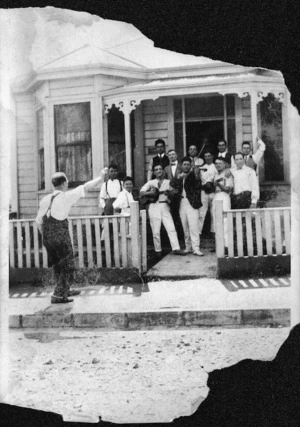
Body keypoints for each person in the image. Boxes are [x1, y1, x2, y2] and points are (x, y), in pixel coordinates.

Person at [36, 168, 108, 304]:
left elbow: (39, 222)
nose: (67, 185)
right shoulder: (65, 196)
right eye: (67, 183)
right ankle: (58, 295)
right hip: (59, 235)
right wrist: (100, 178)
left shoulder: (45, 199)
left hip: (46, 237)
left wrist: (46, 237)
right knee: (68, 265)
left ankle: (65, 289)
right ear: (63, 184)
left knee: (58, 265)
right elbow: (85, 187)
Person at [140, 164, 182, 256]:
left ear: (163, 171)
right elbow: (141, 192)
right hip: (153, 206)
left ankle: (176, 248)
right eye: (156, 169)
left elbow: (174, 193)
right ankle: (158, 250)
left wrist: (170, 194)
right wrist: (150, 192)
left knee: (171, 228)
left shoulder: (168, 182)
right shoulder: (151, 182)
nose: (158, 171)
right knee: (156, 231)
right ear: (154, 172)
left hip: (164, 205)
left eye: (160, 169)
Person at [171, 156, 203, 256]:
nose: (186, 166)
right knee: (185, 227)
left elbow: (198, 182)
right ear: (181, 165)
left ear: (191, 165)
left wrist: (193, 173)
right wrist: (178, 177)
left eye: (188, 165)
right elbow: (172, 184)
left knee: (194, 227)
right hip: (182, 203)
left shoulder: (194, 174)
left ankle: (196, 248)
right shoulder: (179, 176)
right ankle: (188, 247)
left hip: (192, 203)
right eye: (184, 164)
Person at [212, 157, 233, 248]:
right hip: (216, 196)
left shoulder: (228, 174)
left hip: (224, 196)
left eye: (220, 163)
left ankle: (227, 246)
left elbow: (228, 189)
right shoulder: (215, 174)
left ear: (224, 164)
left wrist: (219, 184)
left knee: (225, 221)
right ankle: (219, 245)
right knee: (216, 220)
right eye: (216, 163)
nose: (218, 165)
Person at [163, 149, 183, 238]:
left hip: (181, 193)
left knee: (181, 213)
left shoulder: (182, 166)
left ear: (176, 155)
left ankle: (182, 235)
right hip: (171, 194)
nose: (171, 156)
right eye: (169, 155)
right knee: (173, 213)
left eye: (173, 154)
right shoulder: (166, 168)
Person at [199, 150, 217, 236]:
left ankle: (213, 232)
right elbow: (201, 178)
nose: (207, 158)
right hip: (204, 191)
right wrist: (205, 183)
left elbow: (214, 176)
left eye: (209, 156)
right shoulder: (202, 167)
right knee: (202, 212)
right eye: (205, 156)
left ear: (212, 156)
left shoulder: (215, 166)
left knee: (213, 212)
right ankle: (198, 232)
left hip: (213, 191)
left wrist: (209, 182)